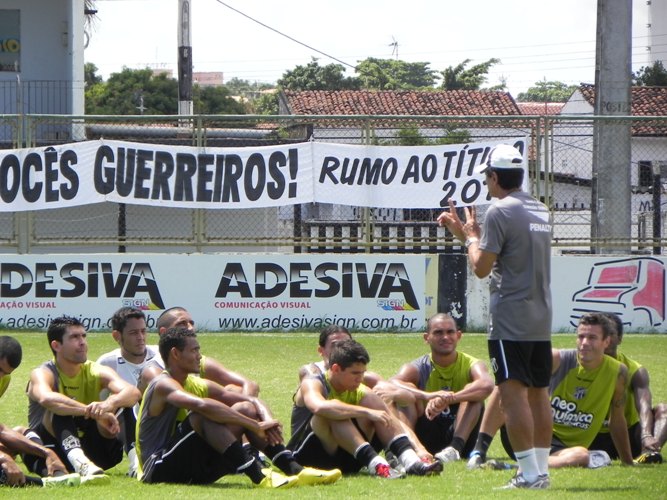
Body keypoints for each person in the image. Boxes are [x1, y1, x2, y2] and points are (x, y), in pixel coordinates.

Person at [437, 143, 553, 489]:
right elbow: (505, 253)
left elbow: (481, 267)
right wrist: (466, 235)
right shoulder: (540, 209)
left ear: (494, 176)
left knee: (513, 394)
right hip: (540, 317)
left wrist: (471, 237)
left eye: (487, 177)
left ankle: (530, 475)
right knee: (538, 393)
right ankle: (541, 471)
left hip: (510, 319)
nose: (486, 184)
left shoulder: (499, 211)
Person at [136, 326, 341, 487]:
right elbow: (201, 405)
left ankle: (295, 469)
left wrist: (265, 419)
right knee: (203, 415)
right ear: (175, 354)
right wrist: (252, 425)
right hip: (158, 468)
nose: (200, 355)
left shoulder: (196, 383)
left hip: (193, 467)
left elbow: (250, 399)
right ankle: (258, 475)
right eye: (195, 350)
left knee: (244, 407)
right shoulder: (162, 384)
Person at [470, 312, 634, 469]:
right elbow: (512, 387)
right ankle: (478, 452)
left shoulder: (618, 372)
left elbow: (617, 419)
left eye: (592, 338)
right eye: (581, 336)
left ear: (607, 342)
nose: (584, 343)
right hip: (528, 435)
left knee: (582, 456)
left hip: (562, 450)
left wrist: (628, 461)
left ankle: (513, 467)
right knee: (508, 383)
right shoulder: (556, 359)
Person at [289, 338, 442, 478]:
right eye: (355, 373)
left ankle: (411, 462)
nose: (360, 378)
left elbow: (395, 412)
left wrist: (418, 448)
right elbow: (319, 407)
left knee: (373, 401)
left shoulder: (360, 389)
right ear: (335, 369)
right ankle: (378, 465)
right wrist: (367, 412)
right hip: (309, 457)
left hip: (349, 459)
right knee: (334, 411)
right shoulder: (313, 382)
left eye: (362, 373)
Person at [24, 315, 141, 483]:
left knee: (123, 403)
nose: (82, 342)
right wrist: (90, 411)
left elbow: (133, 392)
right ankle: (81, 463)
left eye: (83, 336)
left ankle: (135, 464)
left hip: (98, 454)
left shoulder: (94, 370)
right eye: (74, 337)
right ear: (56, 345)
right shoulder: (43, 372)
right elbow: (46, 398)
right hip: (52, 454)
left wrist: (108, 404)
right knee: (60, 406)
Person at [377, 313, 493, 466]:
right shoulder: (418, 366)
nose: (445, 337)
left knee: (473, 392)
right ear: (427, 338)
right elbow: (391, 384)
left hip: (462, 440)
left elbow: (487, 384)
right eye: (438, 332)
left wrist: (449, 398)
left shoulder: (472, 363)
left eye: (450, 332)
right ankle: (406, 448)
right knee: (405, 393)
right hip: (426, 436)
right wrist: (427, 396)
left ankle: (454, 449)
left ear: (458, 335)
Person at [0, 336, 80, 488]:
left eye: (5, 373)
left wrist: (46, 452)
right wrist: (3, 458)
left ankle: (55, 474)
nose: (0, 376)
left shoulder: (3, 379)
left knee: (21, 433)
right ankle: (41, 483)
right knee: (4, 470)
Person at [589, 313, 666, 463]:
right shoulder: (581, 366)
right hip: (591, 433)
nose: (607, 339)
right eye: (602, 335)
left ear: (620, 338)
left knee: (664, 409)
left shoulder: (635, 370)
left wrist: (646, 434)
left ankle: (648, 452)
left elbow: (644, 406)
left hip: (626, 434)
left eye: (611, 333)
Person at [97, 306, 160, 477]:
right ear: (117, 336)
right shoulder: (107, 363)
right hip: (125, 423)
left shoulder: (161, 354)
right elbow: (101, 404)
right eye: (133, 333)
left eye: (143, 331)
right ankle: (135, 464)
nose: (141, 338)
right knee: (124, 403)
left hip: (160, 419)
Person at [141, 306, 258, 396]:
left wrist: (247, 403)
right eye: (182, 324)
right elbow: (190, 403)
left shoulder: (199, 361)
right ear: (163, 332)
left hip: (193, 421)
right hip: (173, 426)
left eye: (191, 323)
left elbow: (250, 384)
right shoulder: (154, 369)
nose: (190, 328)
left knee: (235, 391)